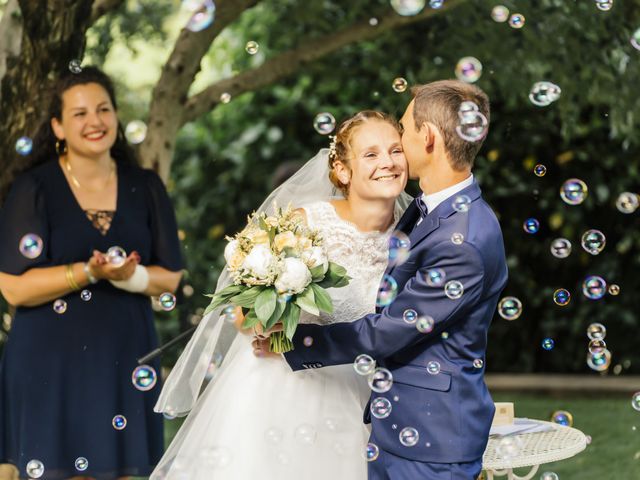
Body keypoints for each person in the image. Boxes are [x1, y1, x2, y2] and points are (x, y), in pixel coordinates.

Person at [259, 80, 508, 480]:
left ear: (426, 138)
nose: (398, 146)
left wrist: (295, 341)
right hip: (394, 426)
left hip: (432, 441)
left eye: (404, 132)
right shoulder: (430, 211)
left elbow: (390, 331)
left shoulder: (466, 238)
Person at [151, 110, 411, 479]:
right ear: (342, 170)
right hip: (285, 389)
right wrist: (280, 300)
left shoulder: (413, 235)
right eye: (370, 154)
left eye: (395, 150)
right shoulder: (303, 225)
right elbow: (243, 318)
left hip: (366, 394)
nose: (387, 162)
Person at [0, 67, 183, 480]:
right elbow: (13, 287)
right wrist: (88, 271)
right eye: (79, 113)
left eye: (103, 109)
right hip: (49, 361)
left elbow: (169, 278)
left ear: (116, 117)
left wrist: (128, 277)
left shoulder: (145, 185)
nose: (95, 121)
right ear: (58, 127)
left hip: (122, 354)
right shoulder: (34, 188)